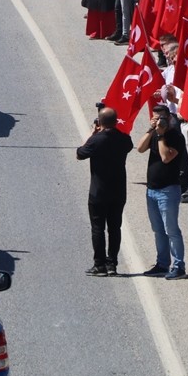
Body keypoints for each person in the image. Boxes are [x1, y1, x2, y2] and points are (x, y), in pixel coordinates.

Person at [76, 108, 134, 276]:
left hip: (98, 192)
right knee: (115, 228)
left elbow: (80, 153)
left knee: (98, 228)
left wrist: (93, 133)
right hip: (118, 192)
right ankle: (112, 264)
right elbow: (128, 144)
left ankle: (99, 265)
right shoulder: (124, 140)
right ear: (116, 122)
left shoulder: (96, 140)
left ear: (99, 123)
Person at [138, 105, 187, 279]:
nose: (158, 120)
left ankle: (179, 266)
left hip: (168, 190)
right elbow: (140, 148)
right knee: (158, 229)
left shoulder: (175, 137)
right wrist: (151, 129)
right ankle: (162, 264)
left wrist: (160, 135)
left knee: (171, 230)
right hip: (152, 190)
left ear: (168, 118)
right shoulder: (154, 133)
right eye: (155, 117)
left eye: (161, 118)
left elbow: (166, 157)